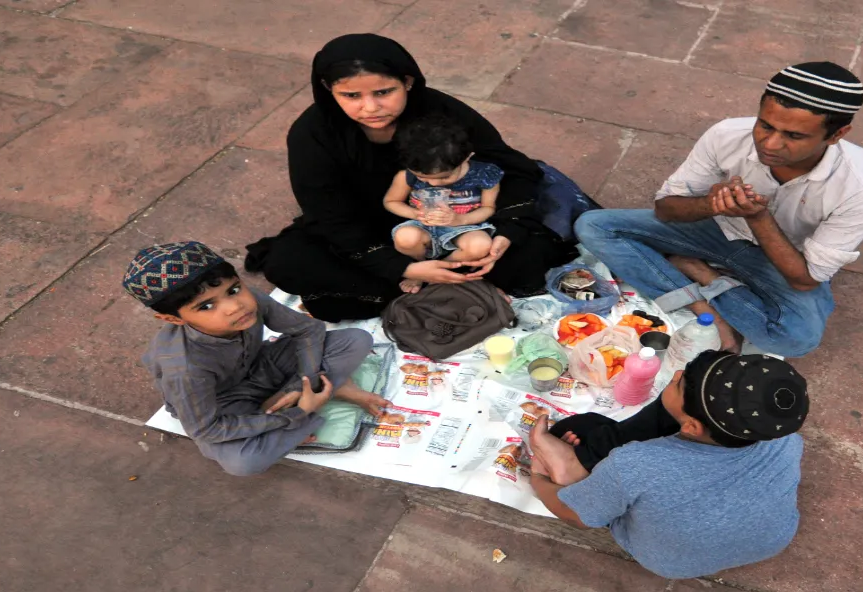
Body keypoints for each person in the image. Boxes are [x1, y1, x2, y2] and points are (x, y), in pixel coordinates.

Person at [246, 33, 577, 321]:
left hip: (461, 222)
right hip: (369, 232)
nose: (370, 107)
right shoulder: (313, 135)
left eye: (383, 92)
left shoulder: (443, 113)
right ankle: (442, 281)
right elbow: (329, 215)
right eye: (351, 96)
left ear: (408, 81)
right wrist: (402, 268)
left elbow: (511, 169)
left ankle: (432, 286)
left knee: (523, 253)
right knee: (288, 263)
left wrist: (506, 233)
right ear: (328, 90)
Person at [576, 62, 863, 357]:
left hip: (782, 260)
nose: (770, 143)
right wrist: (708, 204)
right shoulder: (727, 135)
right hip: (716, 232)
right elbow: (666, 209)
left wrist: (758, 217)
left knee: (798, 338)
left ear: (837, 135)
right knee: (593, 226)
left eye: (793, 136)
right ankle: (706, 311)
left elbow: (805, 279)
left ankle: (701, 271)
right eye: (765, 125)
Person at [527, 351, 810, 579]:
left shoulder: (638, 464)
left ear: (690, 427)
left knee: (581, 427)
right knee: (599, 429)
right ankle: (582, 470)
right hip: (772, 540)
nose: (674, 375)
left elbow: (575, 517)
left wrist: (538, 477)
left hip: (671, 563)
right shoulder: (786, 440)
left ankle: (574, 475)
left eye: (679, 383)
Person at [123, 241, 390, 476]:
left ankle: (299, 399)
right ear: (173, 319)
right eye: (206, 306)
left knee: (356, 340)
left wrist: (302, 384)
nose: (234, 306)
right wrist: (297, 413)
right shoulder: (184, 369)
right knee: (243, 462)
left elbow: (308, 329)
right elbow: (207, 429)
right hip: (225, 402)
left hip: (263, 366)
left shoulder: (247, 302)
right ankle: (321, 397)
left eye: (233, 289)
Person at [385, 113, 502, 293]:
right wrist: (416, 214)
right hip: (422, 225)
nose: (433, 184)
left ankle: (442, 268)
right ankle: (419, 268)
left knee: (481, 245)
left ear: (466, 158)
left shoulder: (484, 174)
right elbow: (391, 201)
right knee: (405, 237)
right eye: (422, 177)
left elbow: (488, 208)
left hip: (464, 228)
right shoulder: (406, 176)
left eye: (445, 177)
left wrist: (460, 220)